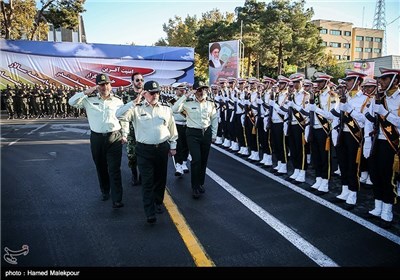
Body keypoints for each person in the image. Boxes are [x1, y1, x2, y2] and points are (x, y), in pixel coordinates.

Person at [116, 80, 178, 224]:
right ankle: (149, 211)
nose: (155, 95)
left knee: (160, 179)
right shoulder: (136, 109)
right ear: (145, 94)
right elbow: (119, 115)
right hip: (144, 149)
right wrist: (135, 101)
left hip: (162, 148)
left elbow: (172, 128)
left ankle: (158, 202)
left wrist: (173, 145)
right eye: (151, 93)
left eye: (157, 92)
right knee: (147, 181)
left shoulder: (165, 109)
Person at [68, 73, 128, 208]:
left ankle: (117, 198)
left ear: (110, 85)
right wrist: (85, 92)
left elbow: (124, 118)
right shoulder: (88, 100)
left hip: (115, 137)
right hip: (97, 138)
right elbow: (71, 102)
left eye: (106, 84)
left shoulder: (118, 100)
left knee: (114, 169)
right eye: (101, 85)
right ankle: (105, 191)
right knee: (101, 167)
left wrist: (125, 134)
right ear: (97, 86)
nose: (104, 87)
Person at [172, 81, 218, 199]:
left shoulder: (210, 104)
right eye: (199, 90)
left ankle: (200, 183)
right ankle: (194, 187)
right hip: (192, 134)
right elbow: (174, 109)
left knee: (203, 160)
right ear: (194, 91)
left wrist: (213, 135)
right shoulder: (187, 103)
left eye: (204, 89)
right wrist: (186, 95)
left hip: (206, 133)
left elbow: (214, 119)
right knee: (196, 159)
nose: (202, 92)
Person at [123, 72, 145, 186]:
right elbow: (121, 113)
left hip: (144, 130)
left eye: (141, 80)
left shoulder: (148, 94)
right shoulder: (126, 95)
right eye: (137, 80)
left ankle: (141, 175)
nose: (140, 82)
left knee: (144, 155)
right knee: (131, 155)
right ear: (133, 82)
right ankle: (134, 174)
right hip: (131, 131)